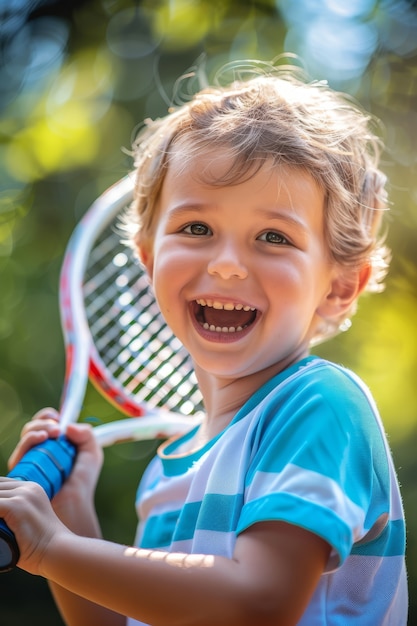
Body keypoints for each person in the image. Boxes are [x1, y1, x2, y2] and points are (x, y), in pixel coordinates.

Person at [0, 58, 408, 625]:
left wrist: (55, 548)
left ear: (339, 287)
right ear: (148, 261)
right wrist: (68, 521)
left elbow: (258, 601)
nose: (227, 266)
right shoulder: (172, 467)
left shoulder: (319, 406)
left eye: (273, 237)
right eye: (196, 228)